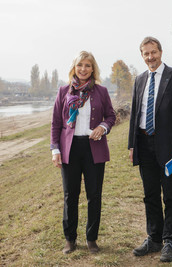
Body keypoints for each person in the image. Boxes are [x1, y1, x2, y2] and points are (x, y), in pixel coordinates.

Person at [128, 36, 172, 262]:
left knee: (170, 195)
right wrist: (132, 145)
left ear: (160, 52)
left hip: (168, 148)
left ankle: (169, 241)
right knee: (150, 194)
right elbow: (135, 114)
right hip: (144, 144)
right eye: (146, 53)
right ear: (142, 56)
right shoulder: (139, 80)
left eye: (153, 52)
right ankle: (153, 237)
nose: (150, 57)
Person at [50, 51, 116, 254]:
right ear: (74, 67)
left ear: (93, 69)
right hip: (70, 149)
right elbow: (56, 124)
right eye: (80, 65)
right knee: (71, 195)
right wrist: (55, 150)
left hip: (93, 148)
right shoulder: (63, 91)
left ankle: (91, 238)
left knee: (94, 195)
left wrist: (103, 127)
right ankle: (70, 239)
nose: (83, 69)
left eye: (88, 65)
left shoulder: (101, 91)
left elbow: (111, 116)